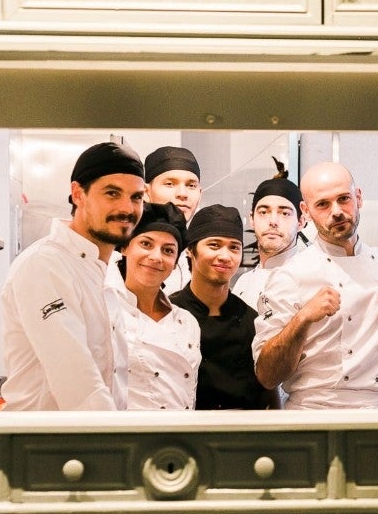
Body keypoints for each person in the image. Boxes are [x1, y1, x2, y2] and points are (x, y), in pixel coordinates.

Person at [252, 161, 378, 409]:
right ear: (306, 211)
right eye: (322, 204)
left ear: (359, 198)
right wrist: (302, 319)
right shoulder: (289, 275)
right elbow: (267, 375)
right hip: (313, 412)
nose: (336, 211)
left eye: (343, 199)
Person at [0, 141, 145, 410]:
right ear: (78, 194)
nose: (127, 208)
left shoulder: (108, 270)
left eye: (136, 197)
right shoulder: (44, 266)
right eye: (112, 193)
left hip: (90, 438)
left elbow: (113, 377)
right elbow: (79, 385)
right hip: (44, 442)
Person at [169, 205, 271, 410]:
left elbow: (266, 394)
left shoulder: (251, 320)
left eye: (234, 247)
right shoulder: (169, 313)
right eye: (214, 245)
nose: (225, 256)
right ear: (190, 250)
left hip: (242, 433)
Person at [109, 202, 200, 410]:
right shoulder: (106, 311)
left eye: (168, 251)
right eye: (146, 244)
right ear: (124, 247)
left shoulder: (187, 322)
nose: (156, 257)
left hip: (182, 435)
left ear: (175, 262)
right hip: (131, 436)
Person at [232, 169, 306, 310]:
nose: (273, 221)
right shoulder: (243, 282)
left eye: (284, 213)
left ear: (301, 222)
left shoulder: (312, 279)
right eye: (263, 212)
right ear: (252, 219)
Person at [143, 145, 202, 293]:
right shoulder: (123, 253)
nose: (182, 193)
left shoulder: (201, 257)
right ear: (145, 192)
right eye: (170, 184)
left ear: (200, 195)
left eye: (191, 185)